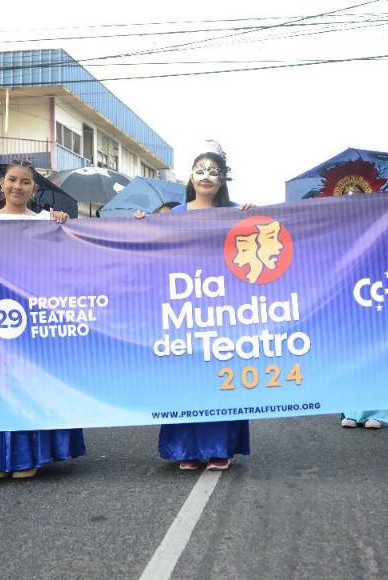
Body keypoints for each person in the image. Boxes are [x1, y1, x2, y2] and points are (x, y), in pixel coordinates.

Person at [0, 159, 85, 479]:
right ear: (1, 183)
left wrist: (63, 226)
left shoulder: (46, 220)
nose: (18, 186)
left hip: (34, 316)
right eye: (12, 180)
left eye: (26, 181)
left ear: (35, 188)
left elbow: (67, 262)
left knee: (29, 380)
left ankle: (28, 455)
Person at [144, 142, 252, 471]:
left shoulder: (235, 213)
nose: (206, 177)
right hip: (181, 307)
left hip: (222, 307)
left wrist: (254, 215)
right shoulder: (173, 216)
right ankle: (185, 449)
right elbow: (152, 253)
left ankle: (221, 447)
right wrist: (140, 225)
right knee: (185, 374)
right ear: (190, 176)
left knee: (220, 374)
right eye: (200, 170)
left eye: (213, 172)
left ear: (222, 180)